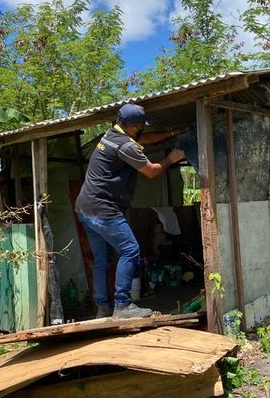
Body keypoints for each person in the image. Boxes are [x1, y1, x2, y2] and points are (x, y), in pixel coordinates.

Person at [75, 103, 186, 318]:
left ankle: (103, 308)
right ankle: (123, 306)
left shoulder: (110, 136)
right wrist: (171, 159)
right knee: (130, 250)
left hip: (85, 208)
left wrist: (170, 133)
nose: (140, 130)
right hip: (103, 210)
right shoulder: (126, 147)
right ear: (133, 127)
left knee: (102, 260)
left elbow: (142, 140)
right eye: (139, 126)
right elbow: (152, 172)